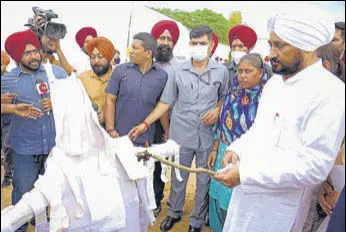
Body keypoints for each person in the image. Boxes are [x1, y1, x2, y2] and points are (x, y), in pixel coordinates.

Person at [212, 8, 345, 232]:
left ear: (307, 46)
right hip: (246, 195)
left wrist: (246, 174)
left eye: (280, 45)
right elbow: (260, 130)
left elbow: (315, 166)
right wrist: (237, 149)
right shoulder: (275, 83)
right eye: (271, 45)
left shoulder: (331, 92)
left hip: (280, 209)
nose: (272, 54)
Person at [129, 25, 229, 232]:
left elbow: (224, 99)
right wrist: (145, 124)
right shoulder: (177, 70)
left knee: (203, 180)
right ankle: (174, 213)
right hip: (180, 133)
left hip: (207, 137)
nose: (198, 47)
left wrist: (218, 110)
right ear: (189, 45)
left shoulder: (221, 71)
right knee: (178, 177)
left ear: (211, 45)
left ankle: (195, 221)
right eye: (194, 43)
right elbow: (165, 103)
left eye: (202, 43)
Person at [1, 29, 67, 231]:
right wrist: (13, 108)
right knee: (22, 196)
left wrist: (56, 102)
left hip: (55, 150)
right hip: (24, 151)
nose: (33, 56)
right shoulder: (8, 80)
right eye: (27, 53)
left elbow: (74, 99)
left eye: (35, 51)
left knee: (55, 196)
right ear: (17, 57)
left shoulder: (55, 73)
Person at [207, 53, 269, 232]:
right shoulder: (232, 92)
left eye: (248, 71)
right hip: (223, 153)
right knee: (217, 195)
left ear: (260, 72)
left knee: (235, 202)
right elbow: (221, 122)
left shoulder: (266, 98)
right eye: (240, 71)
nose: (242, 75)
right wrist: (215, 149)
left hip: (247, 156)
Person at [104, 32, 168, 147]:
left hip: (145, 140)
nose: (131, 51)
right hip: (119, 137)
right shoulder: (120, 71)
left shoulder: (162, 76)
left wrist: (166, 131)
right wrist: (110, 129)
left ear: (148, 53)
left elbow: (162, 106)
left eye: (135, 48)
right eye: (131, 47)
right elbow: (109, 100)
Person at [150, 19, 181, 217]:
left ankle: (155, 200)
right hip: (145, 120)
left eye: (169, 39)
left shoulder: (178, 67)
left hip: (169, 123)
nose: (165, 42)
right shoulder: (145, 62)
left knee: (161, 162)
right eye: (162, 37)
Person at [79, 36, 115, 126]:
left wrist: (109, 114)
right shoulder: (82, 78)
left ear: (109, 58)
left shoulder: (119, 77)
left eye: (100, 56)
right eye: (93, 57)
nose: (96, 61)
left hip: (115, 131)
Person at [224, 25, 273, 89]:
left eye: (240, 46)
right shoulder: (224, 68)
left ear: (249, 48)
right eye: (233, 46)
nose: (236, 49)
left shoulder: (265, 69)